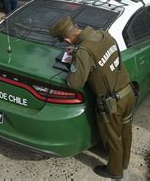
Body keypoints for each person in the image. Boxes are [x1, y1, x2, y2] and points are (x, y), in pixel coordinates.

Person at [49, 16, 134, 179]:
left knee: (113, 137)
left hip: (112, 103)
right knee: (125, 129)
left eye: (65, 41)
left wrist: (76, 58)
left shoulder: (83, 52)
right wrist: (76, 51)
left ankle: (115, 171)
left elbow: (74, 83)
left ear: (67, 39)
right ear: (76, 26)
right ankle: (124, 162)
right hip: (127, 93)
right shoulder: (103, 35)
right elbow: (99, 52)